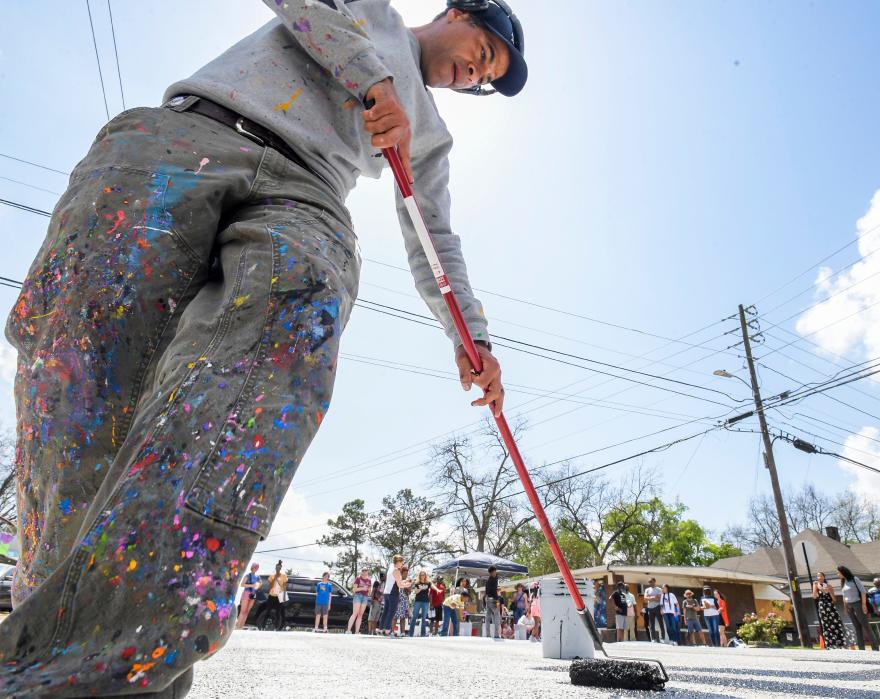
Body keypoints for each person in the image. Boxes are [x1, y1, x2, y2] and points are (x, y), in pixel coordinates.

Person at [0, 0, 524, 694]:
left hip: (305, 196)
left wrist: (472, 334)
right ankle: (54, 646)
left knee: (285, 320)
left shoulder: (430, 135)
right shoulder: (373, 13)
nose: (472, 76)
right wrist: (372, 78)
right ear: (457, 10)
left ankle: (99, 670)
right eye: (482, 53)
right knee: (83, 371)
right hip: (183, 136)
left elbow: (436, 240)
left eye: (482, 80)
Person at [837, 565, 879, 651]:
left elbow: (863, 592)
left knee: (865, 626)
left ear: (843, 571)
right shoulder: (843, 581)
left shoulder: (854, 579)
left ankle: (875, 648)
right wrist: (845, 607)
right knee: (857, 627)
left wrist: (863, 604)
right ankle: (861, 648)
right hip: (849, 606)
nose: (837, 574)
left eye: (838, 572)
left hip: (857, 604)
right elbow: (844, 596)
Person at [813, 571, 848, 649]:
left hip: (830, 606)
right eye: (818, 576)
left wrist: (829, 591)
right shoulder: (816, 585)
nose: (819, 577)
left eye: (821, 576)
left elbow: (834, 599)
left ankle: (840, 643)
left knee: (836, 623)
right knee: (826, 624)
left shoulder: (829, 586)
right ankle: (829, 644)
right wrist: (817, 586)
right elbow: (814, 596)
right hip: (822, 606)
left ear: (824, 577)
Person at [378, 554, 408, 636]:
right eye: (402, 562)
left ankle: (381, 629)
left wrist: (404, 582)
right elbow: (399, 585)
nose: (402, 564)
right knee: (392, 612)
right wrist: (407, 585)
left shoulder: (391, 568)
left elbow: (395, 581)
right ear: (398, 562)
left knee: (386, 611)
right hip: (393, 592)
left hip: (387, 592)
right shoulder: (397, 571)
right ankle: (388, 630)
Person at [260, 561, 289, 631]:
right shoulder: (272, 576)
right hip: (272, 595)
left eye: (279, 567)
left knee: (278, 612)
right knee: (268, 611)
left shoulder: (284, 576)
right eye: (277, 567)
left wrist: (284, 596)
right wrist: (274, 579)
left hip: (280, 596)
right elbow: (270, 587)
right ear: (275, 568)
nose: (278, 568)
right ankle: (262, 626)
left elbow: (285, 586)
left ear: (281, 568)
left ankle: (276, 627)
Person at [346, 567, 373, 635]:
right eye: (363, 570)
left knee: (360, 615)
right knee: (355, 613)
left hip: (365, 597)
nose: (364, 572)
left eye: (366, 570)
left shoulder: (369, 580)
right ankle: (348, 630)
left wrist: (369, 590)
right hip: (358, 596)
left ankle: (357, 632)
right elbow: (354, 590)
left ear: (367, 572)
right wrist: (362, 588)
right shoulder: (358, 578)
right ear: (361, 572)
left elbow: (369, 593)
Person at [236, 562, 261, 630]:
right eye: (255, 567)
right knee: (243, 611)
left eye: (257, 567)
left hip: (253, 594)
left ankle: (241, 627)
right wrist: (251, 585)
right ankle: (238, 626)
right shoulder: (247, 575)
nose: (256, 568)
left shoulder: (258, 577)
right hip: (247, 593)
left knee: (247, 611)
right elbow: (242, 584)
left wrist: (258, 585)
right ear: (252, 567)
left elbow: (260, 584)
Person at [409, 570, 432, 637]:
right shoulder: (417, 583)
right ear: (419, 576)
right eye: (421, 575)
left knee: (424, 618)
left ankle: (423, 634)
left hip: (426, 602)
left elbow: (432, 588)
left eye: (424, 574)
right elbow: (415, 592)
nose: (422, 576)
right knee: (414, 617)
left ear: (425, 576)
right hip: (418, 601)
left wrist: (437, 590)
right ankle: (410, 634)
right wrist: (419, 589)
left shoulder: (428, 583)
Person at [644, 577, 666, 643]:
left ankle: (662, 638)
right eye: (649, 582)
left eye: (651, 581)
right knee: (651, 624)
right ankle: (653, 638)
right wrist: (654, 597)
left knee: (660, 623)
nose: (650, 583)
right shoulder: (647, 589)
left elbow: (659, 599)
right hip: (650, 608)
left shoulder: (659, 589)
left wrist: (649, 598)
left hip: (657, 607)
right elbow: (645, 598)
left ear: (654, 581)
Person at [484, 565, 502, 639]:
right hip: (492, 599)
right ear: (491, 573)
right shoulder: (490, 580)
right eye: (494, 572)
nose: (495, 573)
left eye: (495, 571)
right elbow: (493, 591)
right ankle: (496, 634)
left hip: (488, 599)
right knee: (496, 616)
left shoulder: (494, 578)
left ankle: (488, 634)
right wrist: (497, 599)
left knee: (488, 617)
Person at [395, 565, 412, 636]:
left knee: (403, 617)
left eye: (407, 573)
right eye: (404, 572)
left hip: (405, 600)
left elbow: (410, 591)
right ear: (401, 572)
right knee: (395, 616)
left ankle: (402, 632)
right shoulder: (398, 579)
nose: (406, 574)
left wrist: (407, 586)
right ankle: (392, 631)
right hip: (397, 599)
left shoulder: (408, 580)